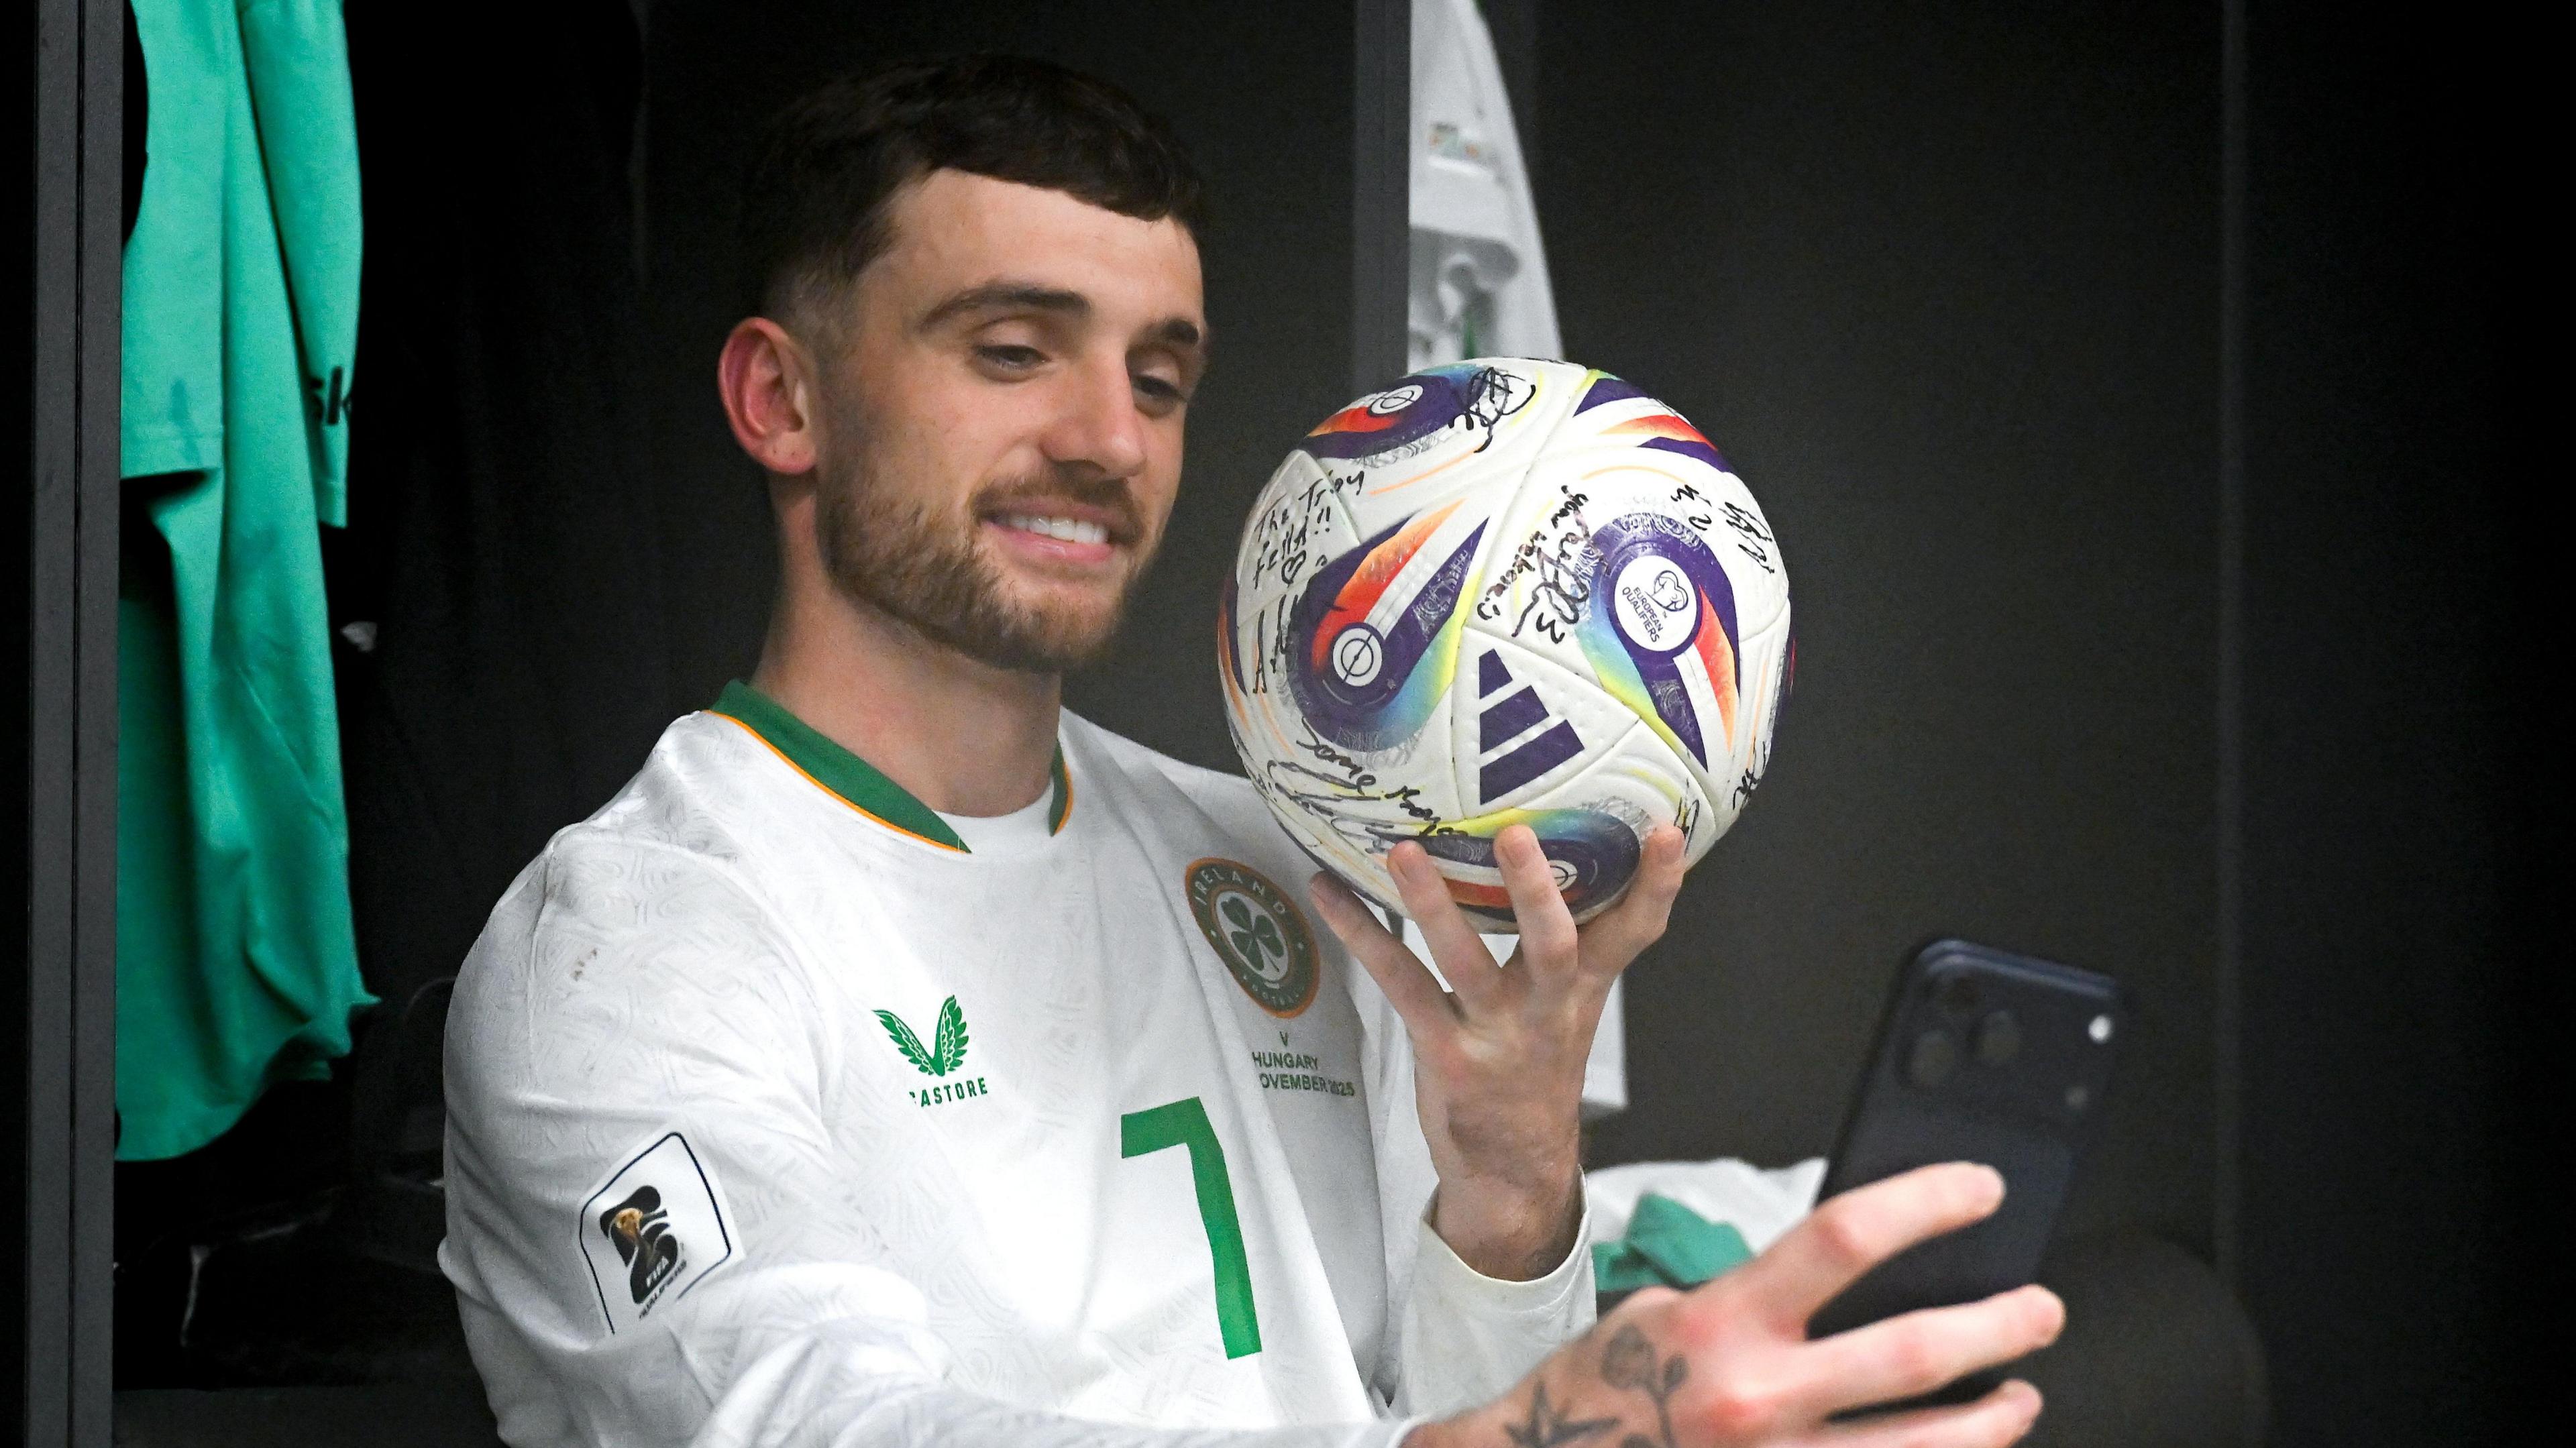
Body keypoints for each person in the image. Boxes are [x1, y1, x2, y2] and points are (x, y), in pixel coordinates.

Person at [439, 56, 2063, 1448]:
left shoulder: (1298, 859)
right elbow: (813, 1425)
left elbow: (1437, 1402)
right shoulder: (626, 953)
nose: (1109, 439)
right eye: (1013, 349)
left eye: (1159, 376)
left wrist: (1512, 1203)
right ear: (781, 401)